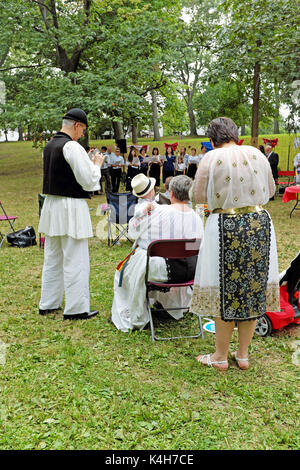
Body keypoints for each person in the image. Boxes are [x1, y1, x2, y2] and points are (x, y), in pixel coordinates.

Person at [190, 117, 280, 371]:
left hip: (225, 224)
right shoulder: (258, 154)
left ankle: (220, 356)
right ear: (235, 135)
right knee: (252, 286)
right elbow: (272, 190)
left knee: (224, 288)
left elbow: (197, 195)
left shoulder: (211, 157)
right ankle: (243, 355)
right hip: (259, 223)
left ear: (211, 140)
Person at [111, 174, 204, 332]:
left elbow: (133, 233)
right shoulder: (197, 217)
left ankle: (137, 312)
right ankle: (172, 305)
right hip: (189, 272)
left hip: (159, 271)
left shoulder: (156, 212)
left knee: (131, 265)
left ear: (171, 194)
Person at [39, 108, 105, 320]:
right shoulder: (72, 146)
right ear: (77, 125)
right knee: (76, 258)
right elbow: (88, 180)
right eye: (83, 129)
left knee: (53, 258)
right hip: (70, 205)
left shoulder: (49, 146)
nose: (83, 134)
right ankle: (76, 308)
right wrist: (96, 165)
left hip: (51, 205)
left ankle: (48, 303)